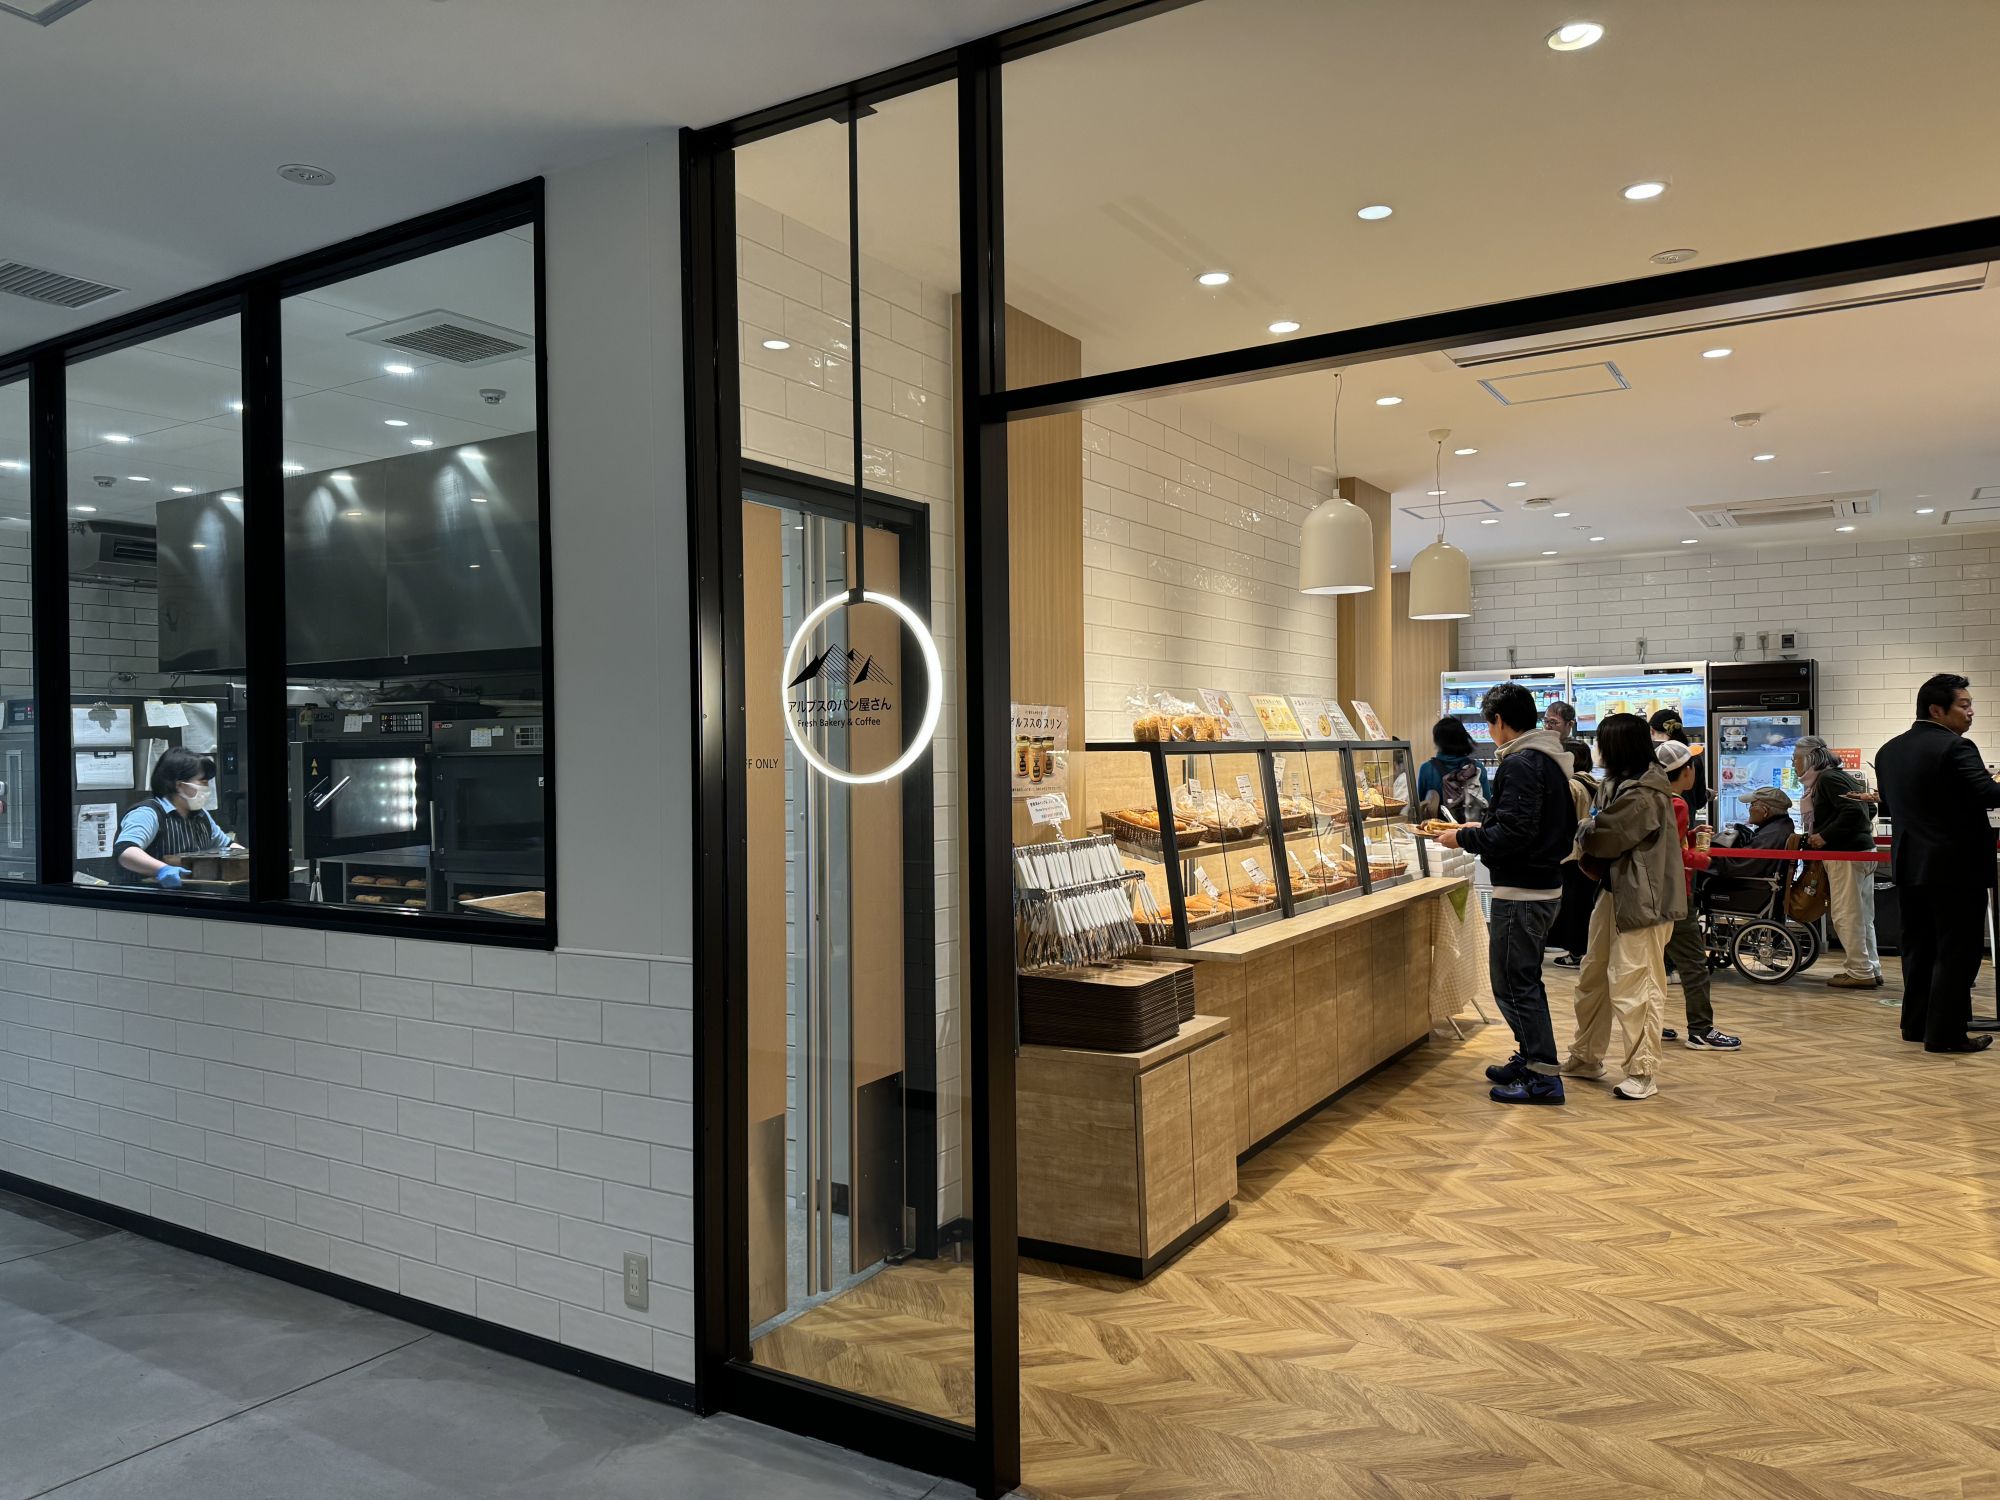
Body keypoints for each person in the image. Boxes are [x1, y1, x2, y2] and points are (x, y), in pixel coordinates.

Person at [1436, 682, 1578, 1105]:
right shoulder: (1546, 757)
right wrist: (1483, 828)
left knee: (1514, 984)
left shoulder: (1521, 762)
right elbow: (1528, 824)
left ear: (1499, 720)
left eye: (1489, 722)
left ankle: (1543, 1076)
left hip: (1523, 891)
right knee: (1519, 980)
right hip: (1540, 884)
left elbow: (1516, 834)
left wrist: (1463, 837)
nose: (1489, 731)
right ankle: (1530, 1058)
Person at [1874, 673, 2000, 1053]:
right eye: (1964, 705)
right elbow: (1988, 794)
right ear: (1936, 709)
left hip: (1909, 864)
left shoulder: (1888, 751)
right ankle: (1945, 1034)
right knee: (1957, 951)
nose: (1971, 712)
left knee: (1919, 948)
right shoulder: (1956, 747)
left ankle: (1916, 1025)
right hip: (1956, 866)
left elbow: (1890, 806)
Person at [1564, 712, 1684, 1100]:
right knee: (1594, 975)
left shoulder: (1645, 791)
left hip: (1644, 900)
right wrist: (1589, 830)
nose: (1598, 749)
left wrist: (1586, 831)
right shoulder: (1617, 784)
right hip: (1614, 893)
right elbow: (1596, 830)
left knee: (1636, 983)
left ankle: (1642, 1071)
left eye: (1602, 741)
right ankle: (1586, 1055)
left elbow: (1605, 835)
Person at [1655, 740, 1741, 1049]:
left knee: (1654, 962)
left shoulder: (1654, 798)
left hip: (1651, 894)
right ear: (1686, 771)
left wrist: (1691, 836)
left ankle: (1649, 1022)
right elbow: (1671, 854)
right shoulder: (1677, 804)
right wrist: (1701, 859)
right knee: (1693, 963)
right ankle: (1701, 1029)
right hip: (1676, 893)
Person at [1793, 735, 1880, 990]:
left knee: (1846, 914)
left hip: (1845, 855)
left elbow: (1854, 811)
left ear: (1810, 759)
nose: (1794, 763)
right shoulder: (1839, 776)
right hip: (1862, 852)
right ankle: (1870, 967)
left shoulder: (1827, 779)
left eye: (1796, 758)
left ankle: (1859, 971)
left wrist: (1825, 835)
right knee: (1863, 915)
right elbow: (1868, 809)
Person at [114, 746, 241, 889]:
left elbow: (227, 846)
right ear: (180, 786)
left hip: (188, 897)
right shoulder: (148, 813)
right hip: (144, 898)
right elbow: (125, 851)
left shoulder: (201, 815)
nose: (207, 788)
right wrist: (162, 869)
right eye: (203, 782)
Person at [1548, 742, 1599, 968]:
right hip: (1588, 853)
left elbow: (1560, 821)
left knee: (1573, 907)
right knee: (1584, 905)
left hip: (1571, 853)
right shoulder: (1593, 782)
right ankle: (1581, 950)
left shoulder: (1570, 785)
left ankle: (1577, 952)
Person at [1416, 716, 1490, 820]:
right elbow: (1487, 803)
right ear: (1463, 739)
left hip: (1437, 828)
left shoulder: (1426, 769)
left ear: (1438, 741)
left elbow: (1420, 806)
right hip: (1471, 828)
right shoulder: (1477, 768)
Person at [1649, 708, 1708, 819]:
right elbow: (1700, 801)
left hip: (1652, 822)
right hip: (1685, 822)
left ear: (1651, 730)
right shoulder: (1692, 755)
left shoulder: (1645, 756)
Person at [1544, 700, 1592, 767]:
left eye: (1553, 722)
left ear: (1570, 724)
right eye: (1545, 721)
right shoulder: (1541, 747)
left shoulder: (1578, 749)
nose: (1547, 726)